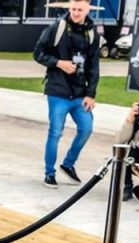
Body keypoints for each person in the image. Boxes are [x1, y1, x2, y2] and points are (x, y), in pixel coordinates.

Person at [33, 0, 100, 188]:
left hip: (79, 93)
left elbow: (94, 66)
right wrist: (58, 63)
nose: (76, 13)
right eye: (73, 9)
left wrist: (91, 94)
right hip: (57, 91)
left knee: (86, 128)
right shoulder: (57, 28)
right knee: (55, 132)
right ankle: (49, 172)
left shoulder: (92, 32)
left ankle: (68, 164)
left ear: (87, 10)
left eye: (80, 10)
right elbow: (38, 53)